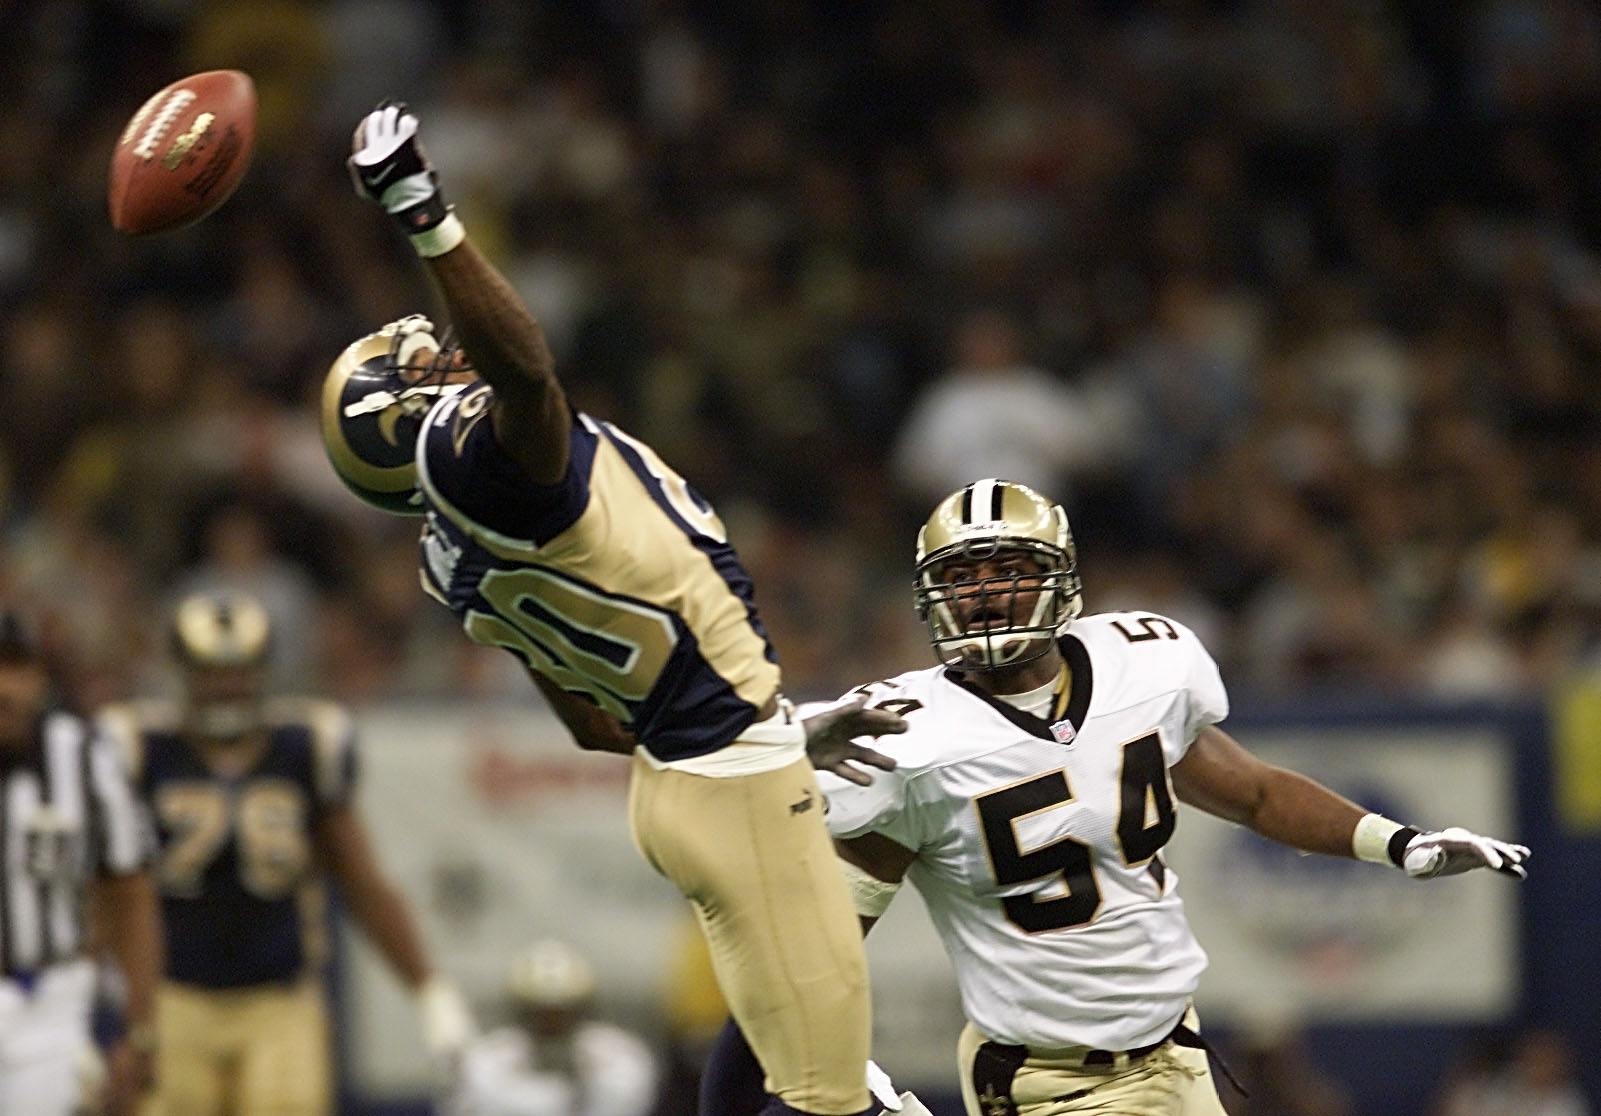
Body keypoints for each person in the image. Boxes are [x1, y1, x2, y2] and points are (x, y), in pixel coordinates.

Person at [322, 102, 906, 1116]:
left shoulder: (443, 554)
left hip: (675, 782)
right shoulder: (478, 467)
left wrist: (782, 729)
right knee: (828, 1099)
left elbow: (593, 718)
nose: (439, 352)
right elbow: (527, 373)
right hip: (731, 780)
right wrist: (424, 214)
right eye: (417, 368)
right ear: (400, 425)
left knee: (755, 1071)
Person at [703, 478, 1531, 1116]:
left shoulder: (1146, 663)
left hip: (1174, 1054)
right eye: (963, 576)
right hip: (1051, 1083)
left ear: (1060, 578)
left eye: (1006, 568)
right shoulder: (905, 736)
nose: (984, 591)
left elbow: (1248, 792)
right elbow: (804, 951)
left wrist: (1395, 843)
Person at [94, 590, 474, 1116]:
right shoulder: (136, 747)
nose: (226, 687)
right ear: (180, 672)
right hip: (169, 999)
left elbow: (362, 882)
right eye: (210, 671)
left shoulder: (305, 746)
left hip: (279, 999)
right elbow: (107, 891)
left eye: (239, 670)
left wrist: (430, 991)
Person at [0, 609, 162, 1116]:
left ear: (40, 678)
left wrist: (141, 1031)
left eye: (17, 667)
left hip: (47, 1002)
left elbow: (130, 895)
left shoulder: (84, 756)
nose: (5, 686)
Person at [449, 938, 659, 1116]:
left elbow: (625, 1097)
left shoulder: (621, 1056)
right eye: (541, 1014)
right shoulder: (488, 1058)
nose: (552, 1025)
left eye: (562, 1013)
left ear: (581, 1011)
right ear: (522, 1013)